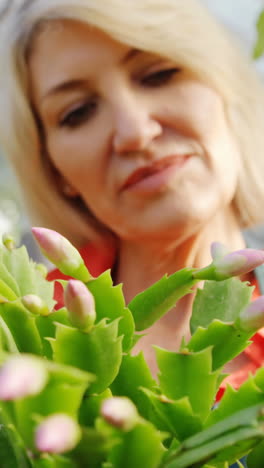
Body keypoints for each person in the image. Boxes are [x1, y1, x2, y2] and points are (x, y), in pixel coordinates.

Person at [0, 0, 264, 381]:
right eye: (78, 112)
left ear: (222, 85)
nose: (136, 133)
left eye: (159, 75)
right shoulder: (21, 343)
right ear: (55, 171)